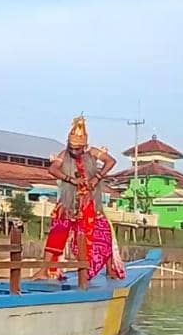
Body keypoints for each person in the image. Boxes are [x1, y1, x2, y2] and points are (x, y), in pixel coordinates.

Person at [38, 116, 124, 281]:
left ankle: (109, 270)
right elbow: (53, 169)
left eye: (77, 149)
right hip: (68, 203)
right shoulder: (64, 154)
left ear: (84, 146)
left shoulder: (92, 152)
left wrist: (96, 177)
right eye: (71, 148)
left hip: (89, 203)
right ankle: (44, 271)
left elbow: (111, 161)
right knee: (57, 233)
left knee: (104, 233)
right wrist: (71, 180)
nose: (74, 152)